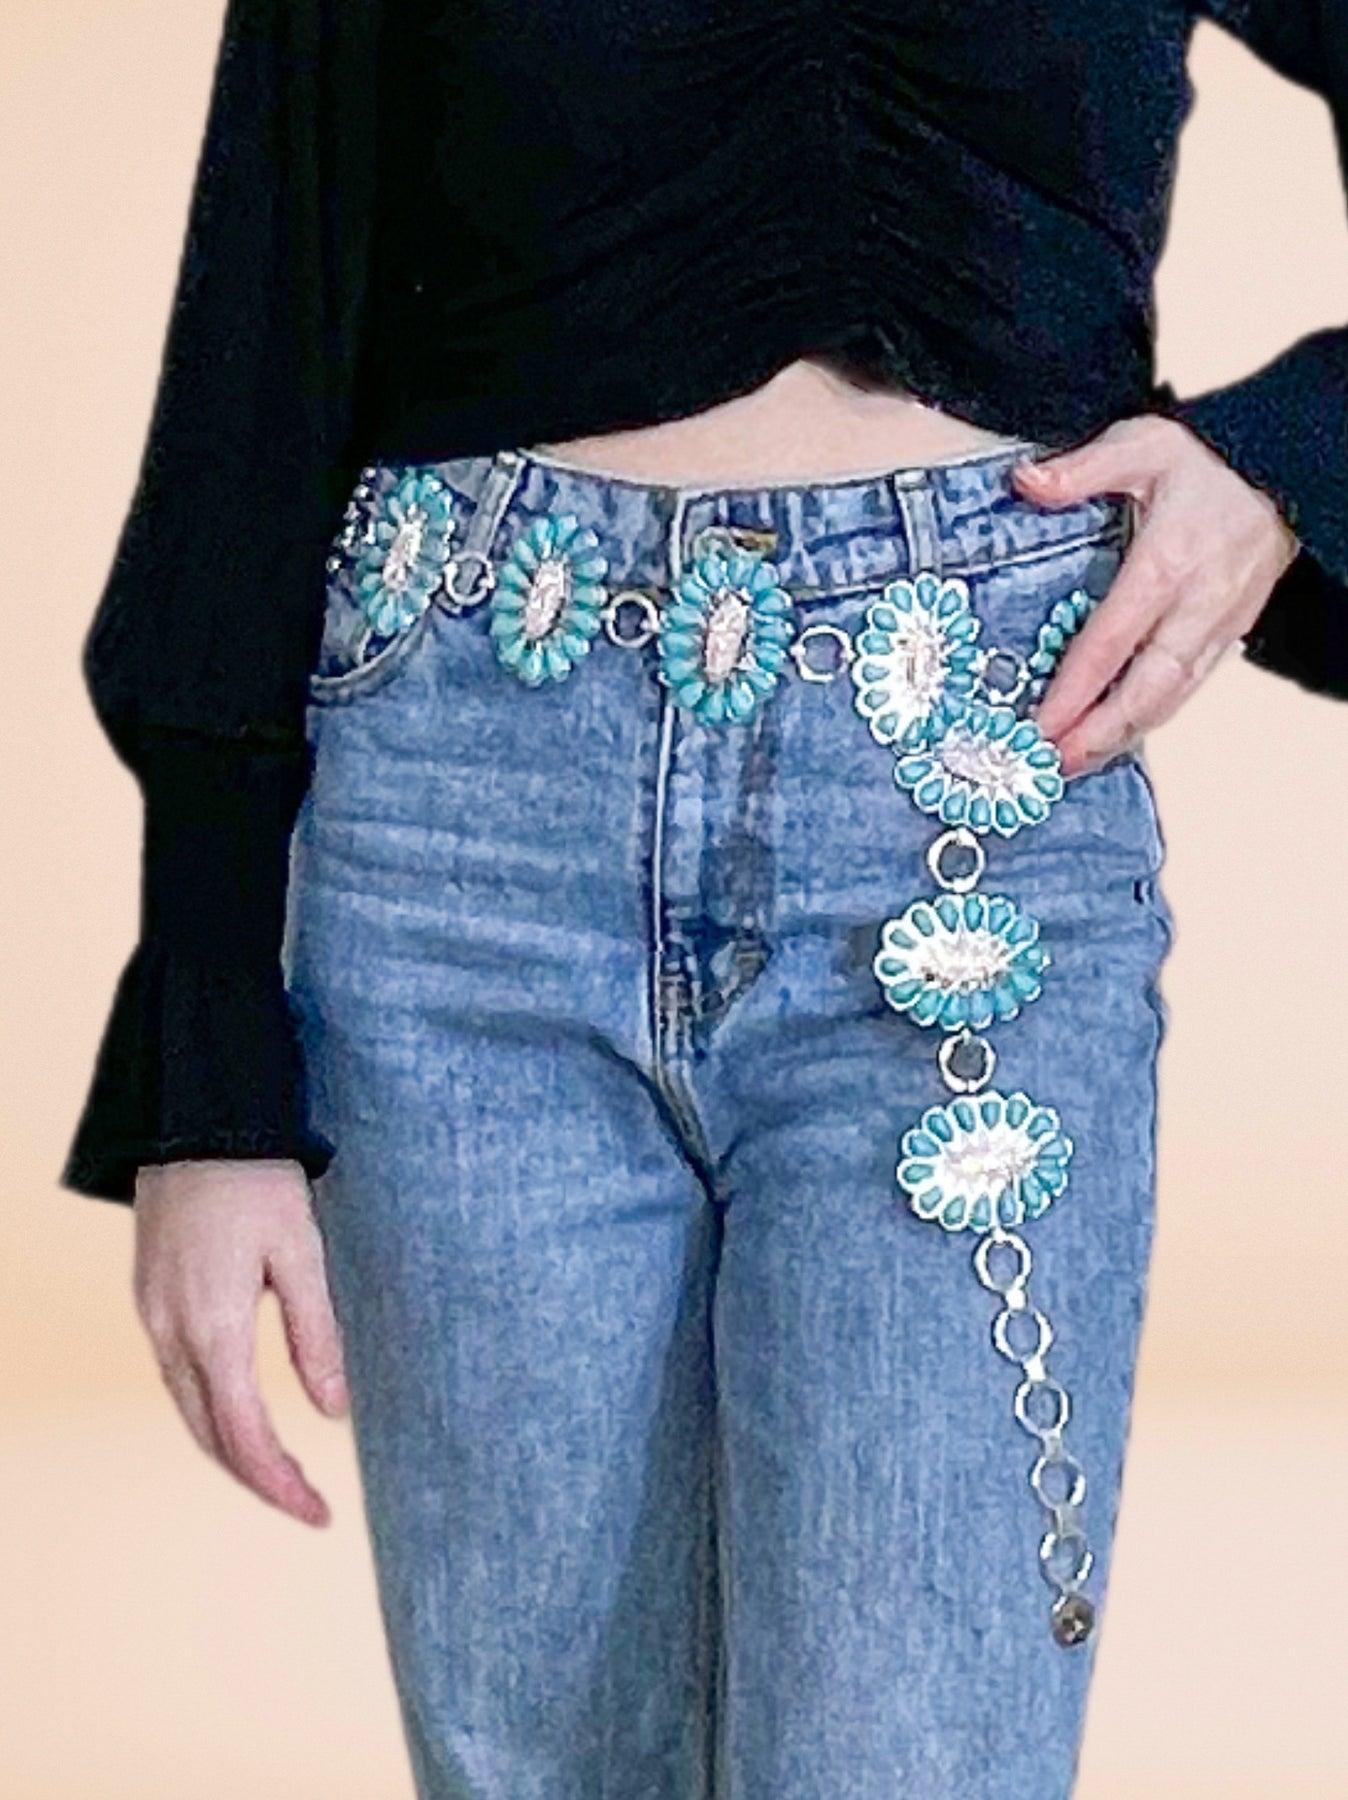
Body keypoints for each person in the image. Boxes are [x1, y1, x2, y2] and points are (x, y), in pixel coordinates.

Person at [60, 1, 1345, 1794]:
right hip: (460, 818)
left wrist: (1298, 462)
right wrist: (207, 1054)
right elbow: (268, 298)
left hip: (963, 809)